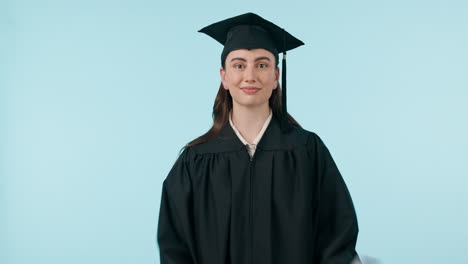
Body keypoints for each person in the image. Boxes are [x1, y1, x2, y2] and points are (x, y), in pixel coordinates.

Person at [157, 12, 360, 264]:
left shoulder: (307, 151)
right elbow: (174, 247)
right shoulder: (195, 161)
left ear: (275, 76)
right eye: (239, 65)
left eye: (262, 64)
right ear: (224, 77)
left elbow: (337, 237)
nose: (250, 75)